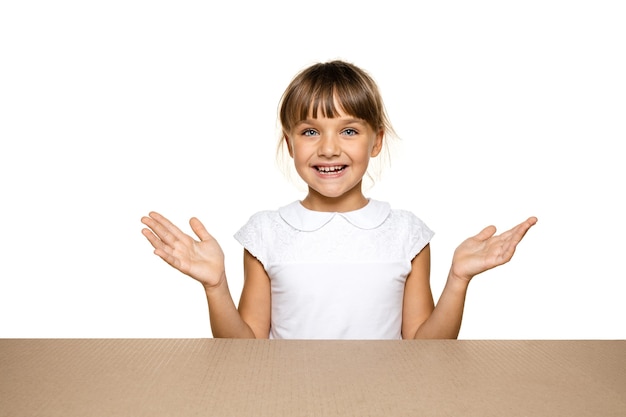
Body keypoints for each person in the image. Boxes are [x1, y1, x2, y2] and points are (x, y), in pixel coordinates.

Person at [141, 60, 537, 340]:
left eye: (348, 131)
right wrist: (216, 287)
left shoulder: (407, 234)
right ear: (290, 143)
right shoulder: (264, 233)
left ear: (376, 141)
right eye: (310, 132)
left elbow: (423, 350)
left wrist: (457, 280)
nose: (329, 149)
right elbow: (247, 352)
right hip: (289, 401)